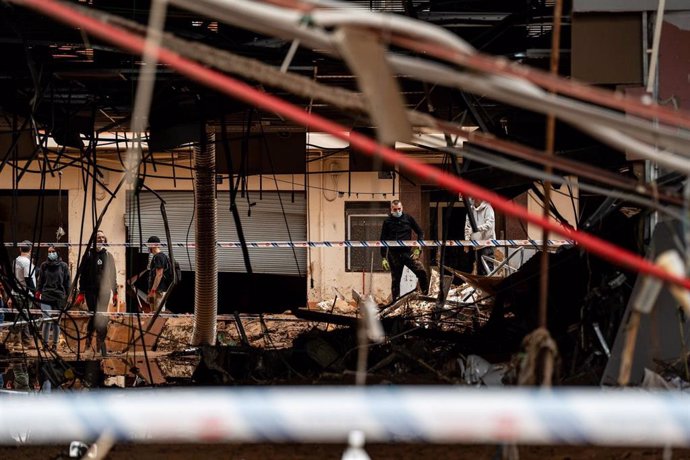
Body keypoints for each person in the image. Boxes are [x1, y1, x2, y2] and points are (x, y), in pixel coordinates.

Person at [77, 230, 117, 356]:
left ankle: (101, 345)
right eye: (98, 237)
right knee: (94, 315)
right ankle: (89, 343)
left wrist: (115, 292)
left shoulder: (108, 256)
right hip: (90, 291)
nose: (100, 239)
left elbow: (112, 275)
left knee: (102, 316)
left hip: (104, 292)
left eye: (102, 237)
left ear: (105, 240)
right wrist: (81, 292)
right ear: (93, 240)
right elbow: (82, 275)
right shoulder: (88, 255)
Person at [380, 200, 429, 300]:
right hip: (394, 255)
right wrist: (383, 257)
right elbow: (383, 240)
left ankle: (426, 296)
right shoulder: (387, 222)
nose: (397, 211)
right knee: (396, 280)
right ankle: (395, 302)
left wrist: (418, 248)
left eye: (399, 209)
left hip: (407, 252)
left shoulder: (408, 218)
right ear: (391, 209)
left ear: (402, 208)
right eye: (395, 209)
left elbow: (420, 232)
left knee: (422, 272)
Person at [36, 244, 71, 351]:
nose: (51, 253)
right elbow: (40, 280)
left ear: (58, 252)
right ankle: (45, 344)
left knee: (57, 322)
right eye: (49, 252)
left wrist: (68, 296)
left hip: (59, 297)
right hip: (46, 296)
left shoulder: (64, 266)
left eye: (53, 251)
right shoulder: (44, 265)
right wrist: (38, 292)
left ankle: (55, 345)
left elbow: (67, 282)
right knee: (47, 320)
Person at [10, 241, 36, 348]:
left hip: (17, 292)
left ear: (20, 249)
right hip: (25, 293)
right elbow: (28, 278)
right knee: (22, 317)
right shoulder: (26, 262)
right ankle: (17, 341)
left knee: (23, 316)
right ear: (30, 250)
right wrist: (34, 291)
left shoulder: (15, 261)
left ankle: (26, 340)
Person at [464, 198, 496, 275]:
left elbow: (489, 225)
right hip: (476, 245)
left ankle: (489, 286)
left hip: (487, 244)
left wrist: (476, 229)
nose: (472, 200)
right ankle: (482, 286)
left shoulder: (488, 208)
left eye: (473, 198)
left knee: (487, 270)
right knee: (480, 271)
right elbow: (467, 227)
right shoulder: (470, 210)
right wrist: (466, 242)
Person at [146, 236, 171, 312]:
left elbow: (159, 275)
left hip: (158, 291)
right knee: (153, 314)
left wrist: (152, 291)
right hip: (156, 291)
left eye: (149, 245)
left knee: (158, 315)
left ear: (153, 245)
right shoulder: (157, 257)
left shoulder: (159, 257)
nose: (148, 248)